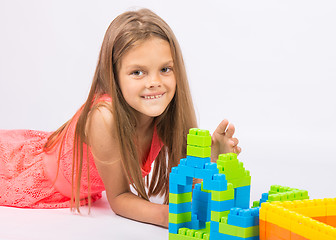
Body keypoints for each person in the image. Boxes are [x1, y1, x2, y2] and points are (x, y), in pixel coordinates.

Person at [0, 8, 241, 228]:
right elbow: (118, 199)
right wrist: (167, 216)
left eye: (165, 69)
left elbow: (189, 188)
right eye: (138, 72)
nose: (155, 82)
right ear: (114, 77)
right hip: (33, 177)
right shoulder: (103, 119)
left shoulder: (166, 112)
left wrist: (212, 162)